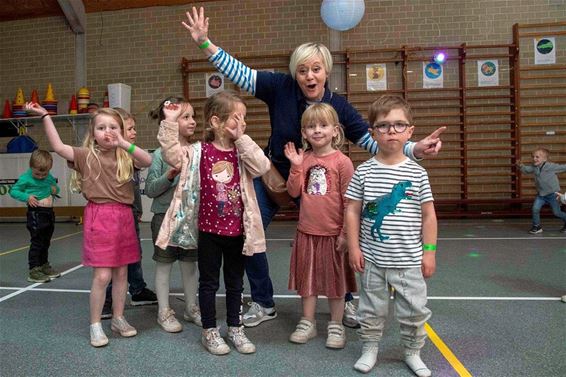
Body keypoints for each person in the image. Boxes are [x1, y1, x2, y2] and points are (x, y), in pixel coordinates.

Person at [182, 6, 445, 328]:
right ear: (296, 73)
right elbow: (239, 72)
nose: (309, 76)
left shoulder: (338, 106)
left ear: (326, 72)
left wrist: (413, 148)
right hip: (276, 177)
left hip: (321, 184)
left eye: (316, 69)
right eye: (303, 70)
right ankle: (263, 302)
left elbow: (372, 140)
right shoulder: (280, 87)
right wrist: (204, 42)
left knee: (338, 238)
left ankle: (345, 301)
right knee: (248, 236)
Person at [25, 102, 152, 347]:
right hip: (100, 216)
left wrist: (124, 142)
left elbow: (146, 160)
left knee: (122, 273)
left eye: (113, 127)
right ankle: (95, 324)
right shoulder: (86, 155)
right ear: (93, 133)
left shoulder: (126, 154)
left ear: (122, 131)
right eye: (101, 127)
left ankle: (118, 317)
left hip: (124, 216)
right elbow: (58, 147)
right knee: (103, 275)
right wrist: (45, 117)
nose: (107, 132)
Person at [156, 91, 270, 355]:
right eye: (236, 119)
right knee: (208, 283)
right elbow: (172, 155)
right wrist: (170, 122)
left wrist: (242, 138)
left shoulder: (242, 152)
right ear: (217, 122)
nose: (241, 124)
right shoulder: (199, 152)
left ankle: (235, 327)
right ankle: (209, 331)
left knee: (235, 283)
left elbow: (262, 166)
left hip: (237, 232)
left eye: (244, 119)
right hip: (209, 231)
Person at [345, 95, 437, 376]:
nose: (391, 131)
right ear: (373, 132)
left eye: (399, 125)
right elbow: (352, 211)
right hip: (373, 260)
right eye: (383, 126)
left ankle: (412, 351)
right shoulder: (364, 171)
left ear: (410, 131)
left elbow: (429, 215)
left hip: (409, 260)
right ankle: (370, 347)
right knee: (371, 309)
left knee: (414, 310)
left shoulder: (417, 173)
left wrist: (429, 251)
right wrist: (353, 248)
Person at [284, 103, 357, 349]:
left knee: (336, 283)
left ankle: (336, 325)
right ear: (303, 133)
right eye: (311, 126)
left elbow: (350, 202)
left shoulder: (343, 162)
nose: (317, 130)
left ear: (335, 130)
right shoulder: (303, 159)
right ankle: (308, 321)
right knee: (308, 280)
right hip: (307, 232)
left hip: (333, 234)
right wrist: (295, 166)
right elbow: (293, 191)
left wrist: (346, 234)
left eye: (323, 125)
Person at [145, 97, 201, 332]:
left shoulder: (197, 151)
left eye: (193, 116)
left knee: (190, 266)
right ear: (170, 122)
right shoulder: (159, 155)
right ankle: (164, 312)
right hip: (164, 218)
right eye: (185, 117)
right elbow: (149, 189)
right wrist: (168, 176)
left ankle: (191, 307)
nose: (192, 121)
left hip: (190, 219)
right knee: (164, 265)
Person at [101, 108, 157, 319]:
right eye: (130, 129)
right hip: (115, 215)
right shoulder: (112, 156)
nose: (134, 133)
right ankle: (107, 298)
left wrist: (138, 210)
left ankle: (138, 289)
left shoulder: (130, 153)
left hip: (131, 213)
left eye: (134, 129)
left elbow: (135, 184)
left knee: (134, 255)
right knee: (115, 258)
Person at [10, 149, 61, 283]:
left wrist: (55, 189)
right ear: (31, 167)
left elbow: (55, 187)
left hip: (49, 213)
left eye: (44, 174)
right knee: (37, 242)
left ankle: (44, 265)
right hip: (36, 213)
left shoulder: (48, 176)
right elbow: (13, 191)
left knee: (46, 241)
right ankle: (34, 270)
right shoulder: (25, 178)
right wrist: (27, 197)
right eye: (37, 173)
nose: (40, 177)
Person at [518, 148, 566, 234]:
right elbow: (526, 170)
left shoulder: (551, 166)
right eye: (533, 157)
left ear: (545, 159)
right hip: (541, 195)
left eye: (537, 157)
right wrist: (520, 166)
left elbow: (563, 167)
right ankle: (537, 226)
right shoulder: (534, 167)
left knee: (557, 213)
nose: (534, 159)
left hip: (553, 194)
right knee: (535, 209)